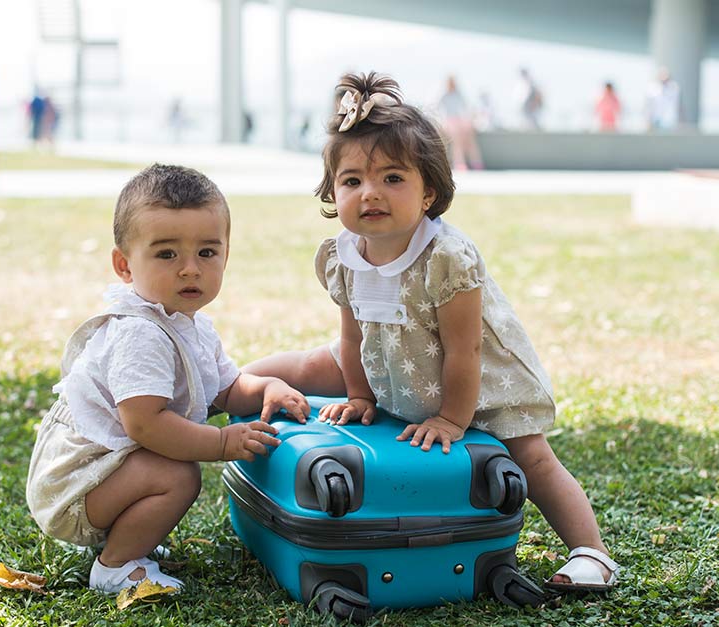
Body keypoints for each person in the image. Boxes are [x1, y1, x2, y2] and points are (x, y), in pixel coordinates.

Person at [243, 72, 619, 593]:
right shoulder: (344, 255)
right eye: (352, 181)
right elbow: (351, 339)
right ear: (333, 192)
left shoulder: (446, 257)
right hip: (388, 360)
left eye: (392, 178)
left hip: (471, 381)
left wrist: (450, 419)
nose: (370, 193)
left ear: (429, 193)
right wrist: (358, 395)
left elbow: (463, 350)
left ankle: (592, 554)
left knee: (530, 456)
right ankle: (226, 386)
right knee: (310, 364)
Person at [26, 163, 310, 595]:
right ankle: (115, 566)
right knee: (179, 475)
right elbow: (144, 423)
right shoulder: (140, 333)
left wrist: (268, 386)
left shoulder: (189, 325)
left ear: (226, 255)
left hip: (108, 471)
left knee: (171, 468)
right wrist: (221, 443)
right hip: (74, 486)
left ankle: (130, 539)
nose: (190, 269)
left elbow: (228, 390)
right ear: (124, 265)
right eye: (166, 254)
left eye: (207, 253)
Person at [437, 75, 484, 170]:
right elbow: (438, 109)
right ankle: (459, 162)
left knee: (468, 136)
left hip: (459, 121)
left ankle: (476, 161)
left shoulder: (459, 94)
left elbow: (466, 109)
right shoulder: (443, 95)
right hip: (449, 122)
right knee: (457, 139)